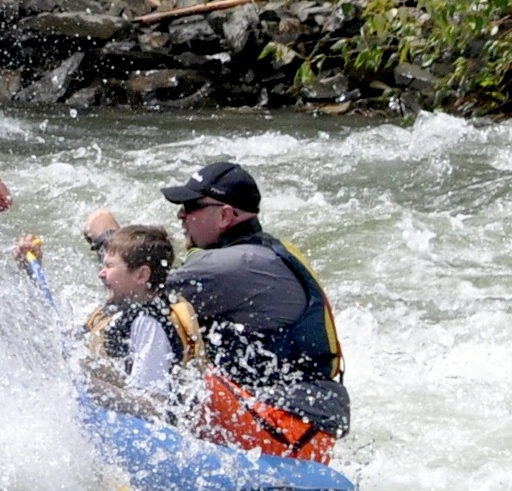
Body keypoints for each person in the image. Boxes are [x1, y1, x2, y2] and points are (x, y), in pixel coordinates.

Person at [157, 157, 350, 459]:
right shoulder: (263, 253)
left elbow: (138, 289)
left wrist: (108, 240)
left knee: (189, 374)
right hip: (298, 424)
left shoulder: (235, 265)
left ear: (225, 215)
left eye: (191, 206)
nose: (181, 215)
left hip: (286, 429)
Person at [83, 223, 185, 409]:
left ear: (141, 275)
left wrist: (87, 384)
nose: (101, 274)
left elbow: (152, 406)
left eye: (109, 266)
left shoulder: (148, 323)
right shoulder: (114, 311)